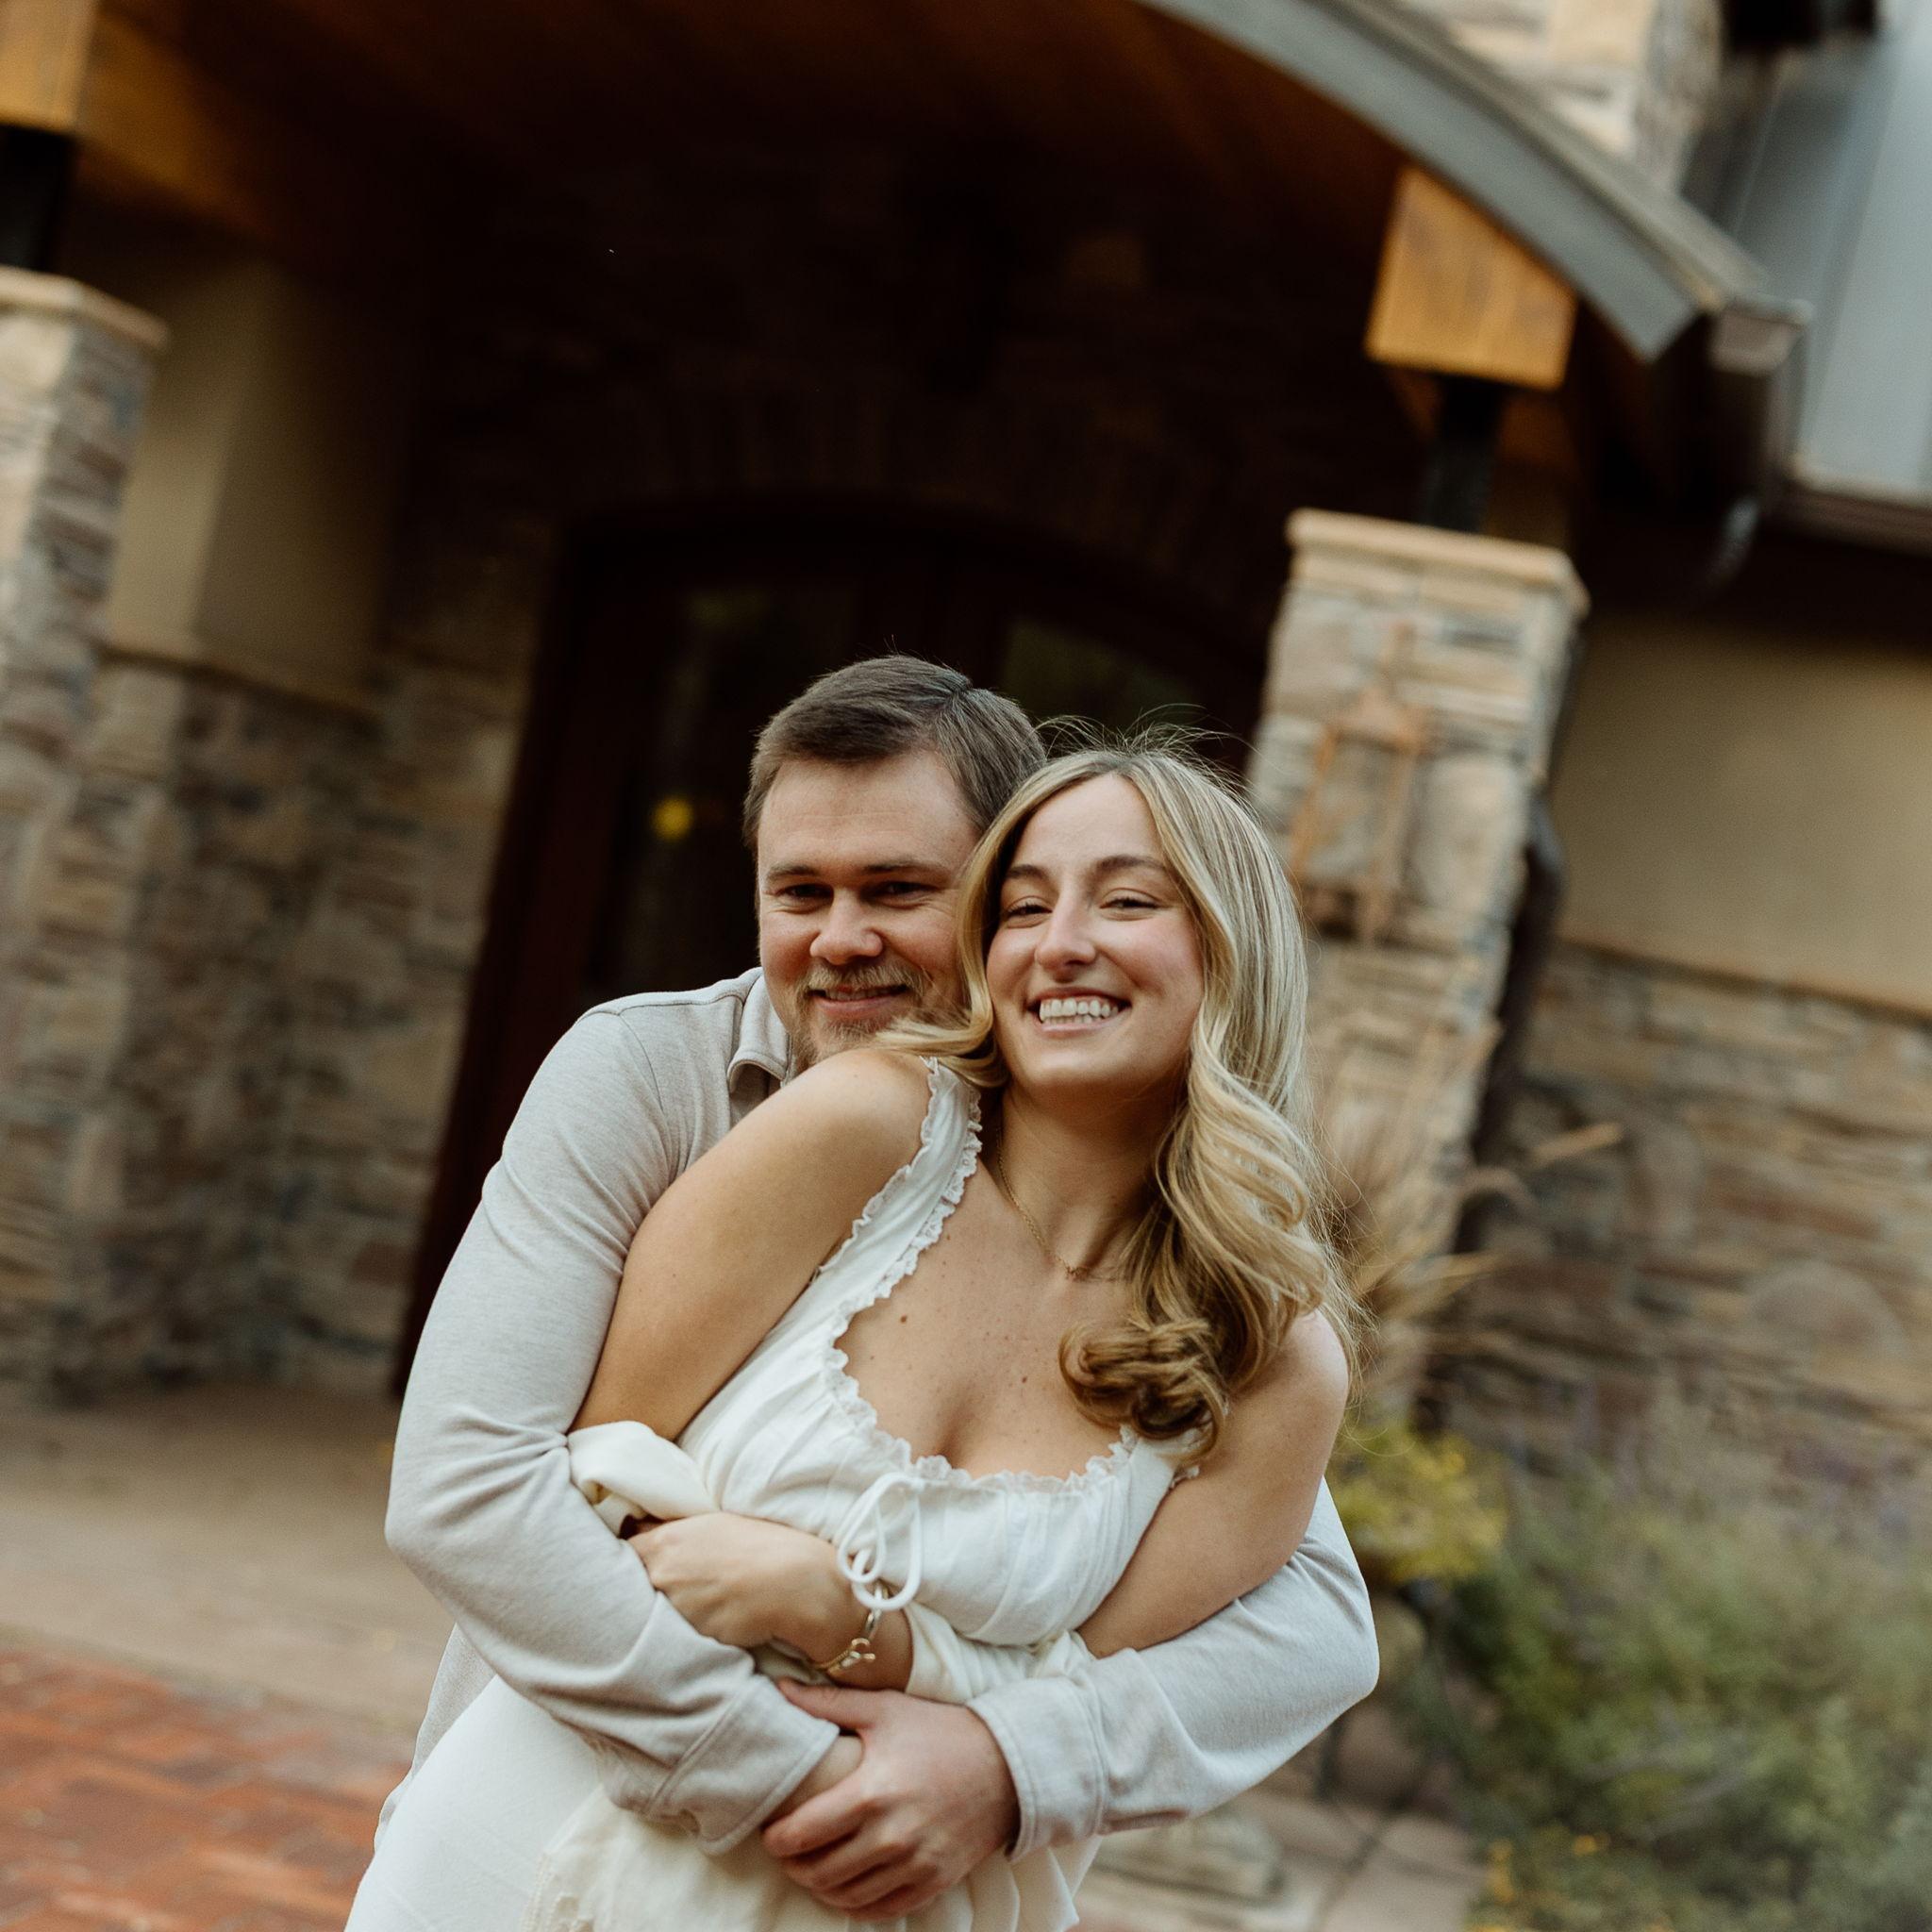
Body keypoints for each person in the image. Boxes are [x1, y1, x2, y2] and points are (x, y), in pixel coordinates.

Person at [373, 659, 1378, 1921]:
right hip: (573, 1830)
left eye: (900, 890)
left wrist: (969, 1740)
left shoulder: (1239, 1331)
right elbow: (528, 1492)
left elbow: (1310, 1627)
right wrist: (805, 1784)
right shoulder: (691, 1083)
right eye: (801, 891)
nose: (842, 938)